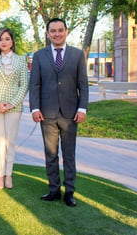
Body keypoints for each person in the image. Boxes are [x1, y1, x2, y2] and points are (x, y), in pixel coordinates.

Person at [29, 18, 89, 207]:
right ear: (48, 34)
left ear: (66, 31)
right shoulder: (39, 56)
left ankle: (69, 192)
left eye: (60, 30)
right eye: (53, 31)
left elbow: (83, 85)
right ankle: (53, 189)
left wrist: (82, 108)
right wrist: (35, 108)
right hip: (46, 114)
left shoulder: (77, 55)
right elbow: (35, 84)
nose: (57, 34)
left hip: (71, 114)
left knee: (69, 155)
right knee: (51, 154)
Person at [0, 28, 29, 190]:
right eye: (1, 39)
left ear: (12, 42)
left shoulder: (20, 60)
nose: (4, 42)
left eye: (7, 39)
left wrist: (12, 103)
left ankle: (8, 174)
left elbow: (24, 85)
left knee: (10, 141)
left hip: (13, 107)